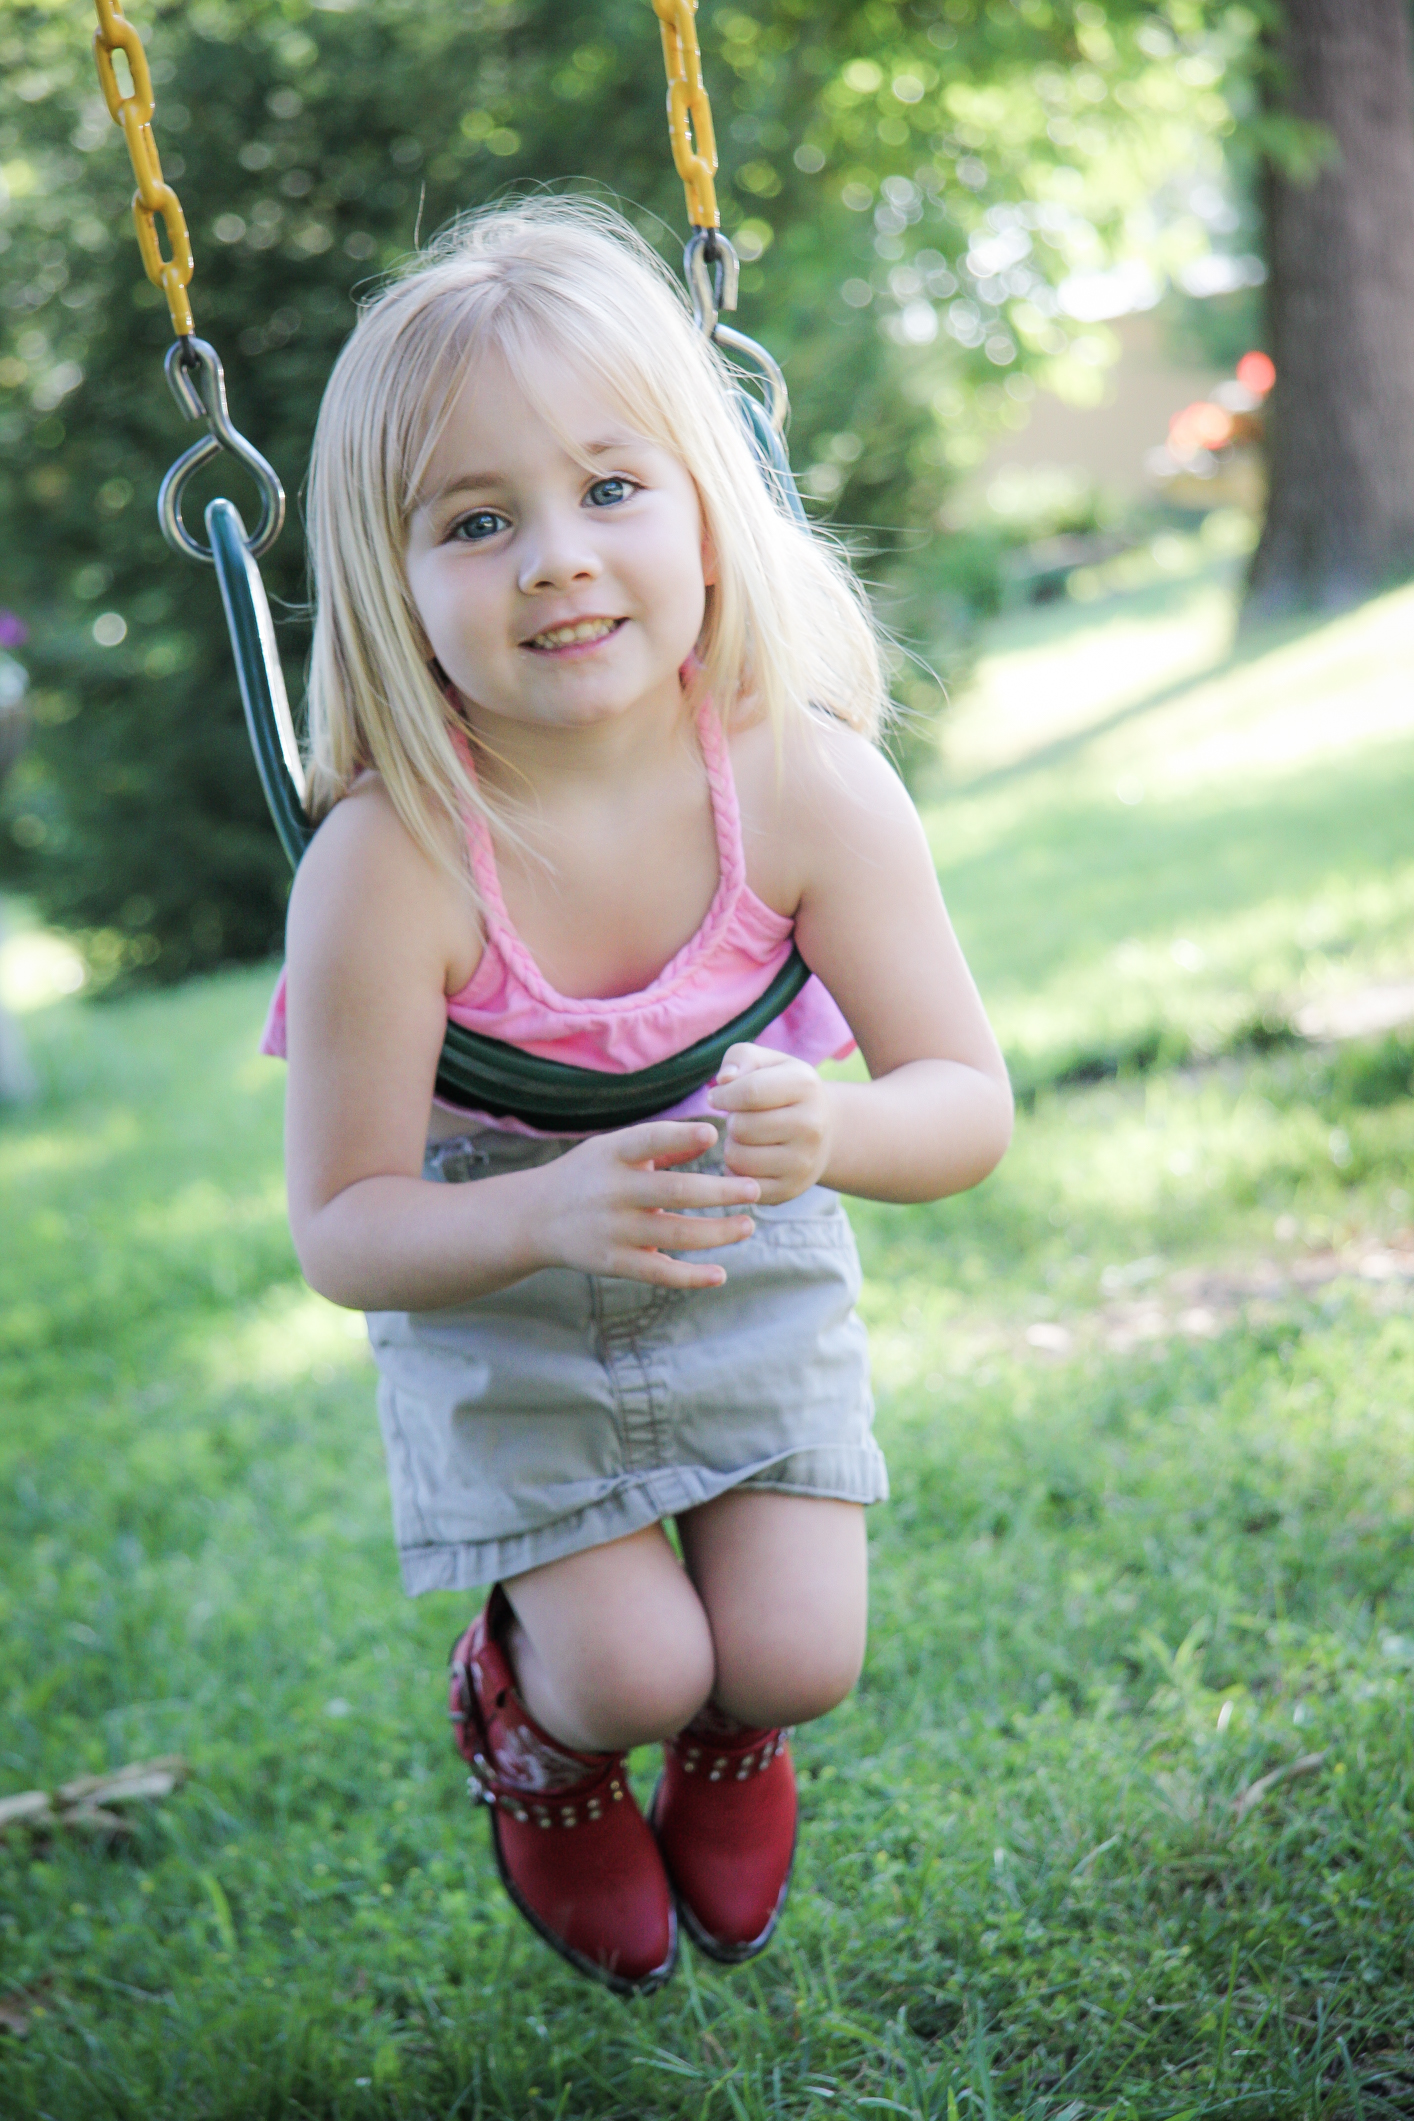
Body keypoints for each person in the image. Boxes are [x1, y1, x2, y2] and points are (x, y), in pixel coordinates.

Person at [262, 199, 1012, 1996]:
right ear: (389, 575)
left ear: (703, 501)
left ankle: (736, 1745)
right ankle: (543, 1738)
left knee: (788, 1655)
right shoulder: (388, 864)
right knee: (629, 1669)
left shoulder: (805, 780)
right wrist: (538, 1209)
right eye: (474, 519)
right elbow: (343, 1229)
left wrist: (832, 1130)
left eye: (610, 488)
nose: (554, 560)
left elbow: (964, 1099)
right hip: (498, 1291)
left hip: (750, 1248)